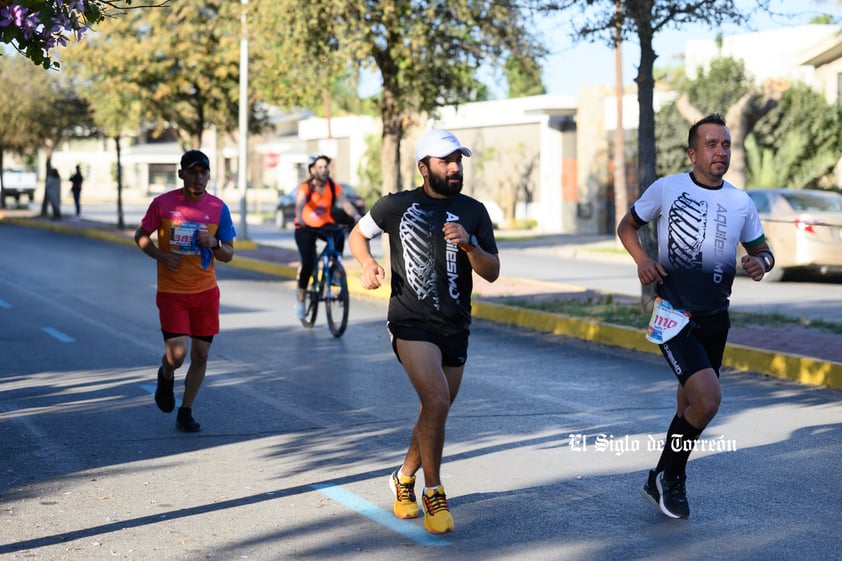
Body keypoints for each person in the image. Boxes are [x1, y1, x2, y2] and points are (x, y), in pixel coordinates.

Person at [617, 113, 775, 519]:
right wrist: (642, 261)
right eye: (711, 144)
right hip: (673, 315)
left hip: (715, 318)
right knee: (708, 401)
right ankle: (674, 477)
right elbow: (627, 226)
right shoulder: (668, 189)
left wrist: (761, 263)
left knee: (689, 406)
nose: (720, 151)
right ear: (692, 153)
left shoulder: (740, 201)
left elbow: (763, 251)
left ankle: (659, 476)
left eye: (725, 145)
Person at [348, 129, 500, 534]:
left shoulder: (473, 211)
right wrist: (365, 264)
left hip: (456, 325)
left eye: (458, 161)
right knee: (435, 399)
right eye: (445, 161)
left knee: (436, 409)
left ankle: (403, 478)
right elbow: (358, 234)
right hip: (410, 322)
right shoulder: (395, 206)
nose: (454, 168)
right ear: (423, 167)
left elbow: (492, 272)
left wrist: (470, 246)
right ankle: (433, 493)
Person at [134, 149, 236, 432]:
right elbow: (140, 235)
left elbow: (229, 253)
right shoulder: (163, 204)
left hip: (205, 292)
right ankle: (165, 374)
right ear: (181, 174)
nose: (199, 177)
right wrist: (160, 255)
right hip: (172, 292)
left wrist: (214, 244)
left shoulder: (218, 208)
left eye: (204, 172)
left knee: (201, 355)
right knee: (178, 354)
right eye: (193, 171)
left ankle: (186, 411)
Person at [292, 153, 362, 320]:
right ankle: (301, 300)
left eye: (326, 167)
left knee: (338, 234)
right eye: (320, 167)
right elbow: (300, 203)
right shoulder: (305, 187)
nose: (324, 170)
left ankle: (332, 268)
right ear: (312, 170)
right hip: (305, 227)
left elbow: (345, 203)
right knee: (308, 261)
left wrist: (357, 217)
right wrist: (300, 217)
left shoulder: (333, 186)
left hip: (324, 225)